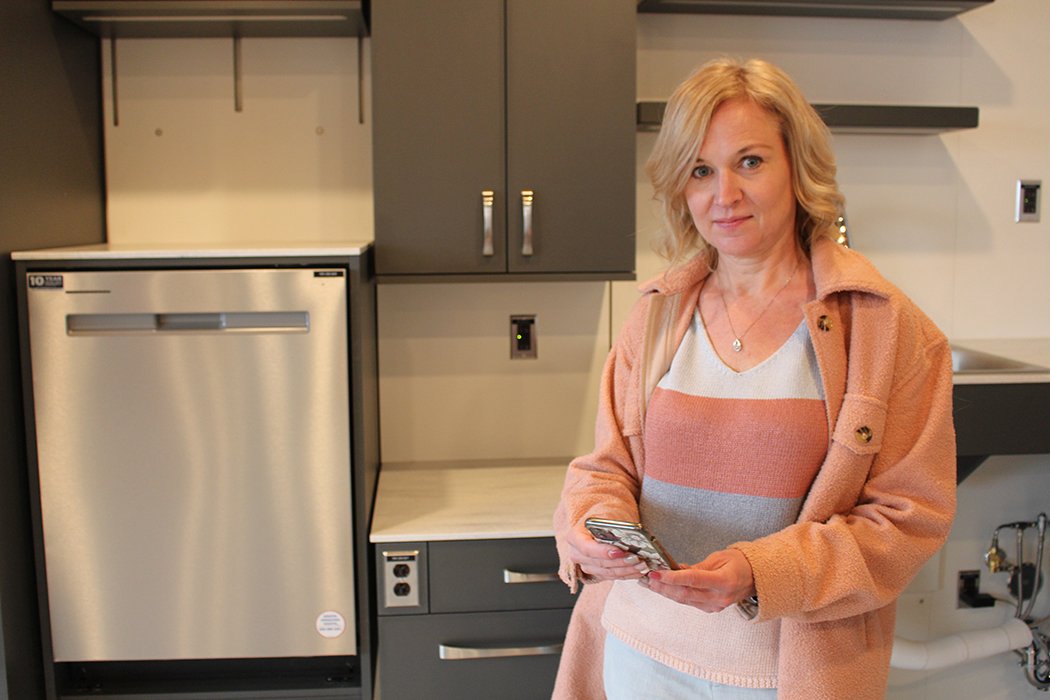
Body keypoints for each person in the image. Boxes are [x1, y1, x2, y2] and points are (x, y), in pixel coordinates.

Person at [552, 57, 956, 700]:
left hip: (786, 675)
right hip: (638, 654)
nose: (725, 195)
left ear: (798, 167)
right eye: (701, 170)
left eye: (750, 161)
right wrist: (590, 522)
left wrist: (760, 572)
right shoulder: (655, 315)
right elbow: (606, 469)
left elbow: (907, 522)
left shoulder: (884, 329)